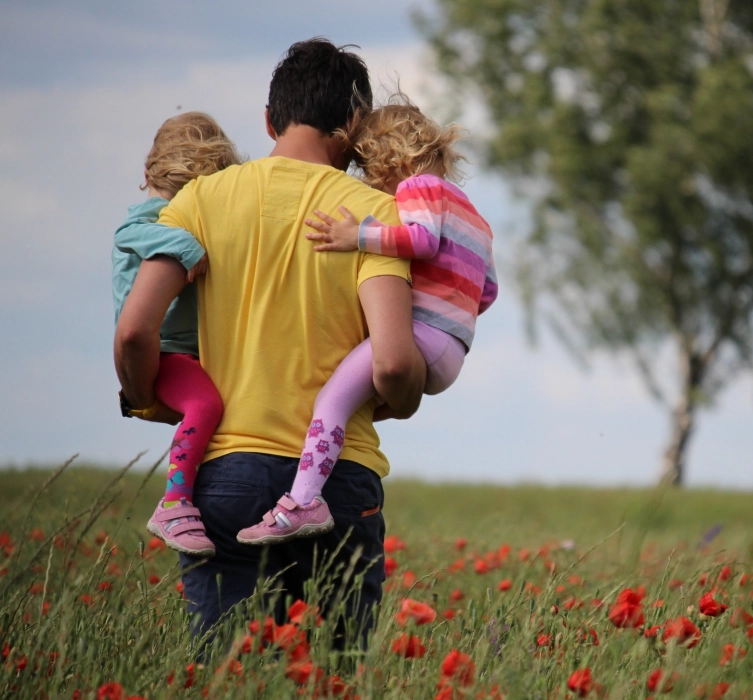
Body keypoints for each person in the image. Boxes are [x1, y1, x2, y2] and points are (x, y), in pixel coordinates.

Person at [114, 38, 426, 643]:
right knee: (334, 677)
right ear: (354, 124)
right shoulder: (374, 215)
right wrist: (405, 397)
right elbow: (391, 362)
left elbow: (133, 330)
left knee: (230, 672)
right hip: (338, 482)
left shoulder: (199, 201)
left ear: (268, 120)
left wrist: (148, 397)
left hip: (225, 474)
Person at [238, 99, 497, 544]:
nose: (370, 181)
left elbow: (420, 239)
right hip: (453, 349)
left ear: (389, 158)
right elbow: (487, 291)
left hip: (421, 336)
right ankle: (317, 477)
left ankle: (303, 502)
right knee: (353, 404)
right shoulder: (475, 216)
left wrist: (355, 235)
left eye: (368, 168)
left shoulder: (418, 188)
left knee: (331, 401)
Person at [112, 112, 241, 557]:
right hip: (165, 352)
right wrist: (187, 246)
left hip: (187, 352)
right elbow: (129, 232)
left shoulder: (175, 212)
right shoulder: (153, 218)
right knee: (205, 404)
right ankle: (175, 502)